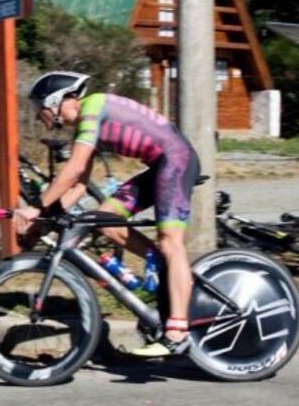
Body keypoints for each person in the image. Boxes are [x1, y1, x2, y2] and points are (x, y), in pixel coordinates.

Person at [14, 71, 200, 357]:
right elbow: (78, 186)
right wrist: (44, 222)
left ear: (54, 101)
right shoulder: (86, 126)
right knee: (105, 220)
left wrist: (37, 207)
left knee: (169, 240)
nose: (40, 117)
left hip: (176, 160)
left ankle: (177, 330)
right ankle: (165, 269)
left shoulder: (93, 109)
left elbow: (74, 169)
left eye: (40, 110)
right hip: (161, 164)